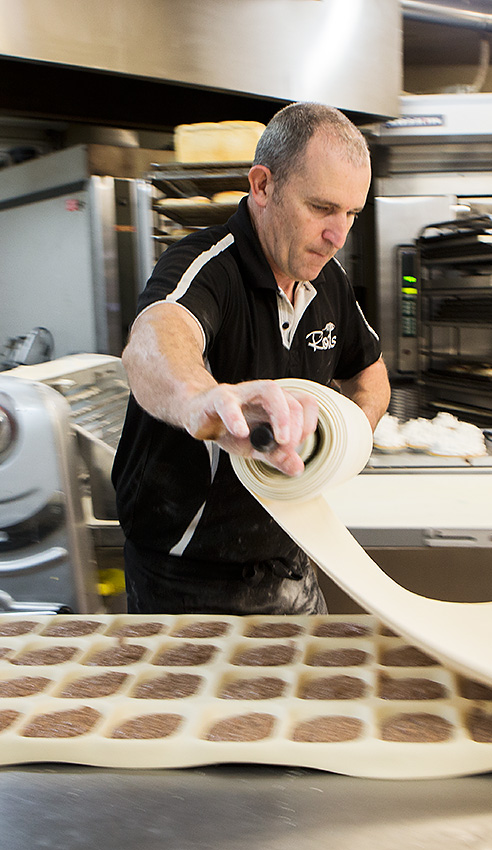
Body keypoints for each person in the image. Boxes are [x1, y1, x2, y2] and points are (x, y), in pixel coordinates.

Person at [112, 102, 390, 616]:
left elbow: (370, 375)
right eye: (322, 208)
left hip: (291, 562)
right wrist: (202, 400)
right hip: (183, 581)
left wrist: (341, 439)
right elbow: (153, 342)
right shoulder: (208, 267)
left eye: (351, 213)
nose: (338, 235)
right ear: (262, 186)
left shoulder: (328, 281)